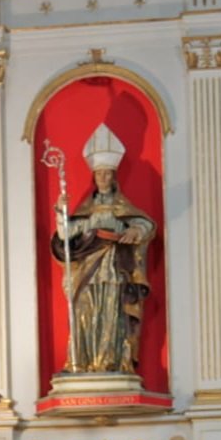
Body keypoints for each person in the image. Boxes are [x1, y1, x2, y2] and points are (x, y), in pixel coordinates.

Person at [50, 123, 156, 373]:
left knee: (111, 314)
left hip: (113, 270)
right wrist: (60, 209)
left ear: (114, 177)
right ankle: (83, 363)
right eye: (100, 174)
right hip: (87, 271)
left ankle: (111, 362)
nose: (104, 178)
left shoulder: (123, 207)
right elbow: (65, 233)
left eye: (108, 173)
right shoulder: (85, 212)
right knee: (85, 313)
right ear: (94, 177)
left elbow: (144, 224)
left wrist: (135, 231)